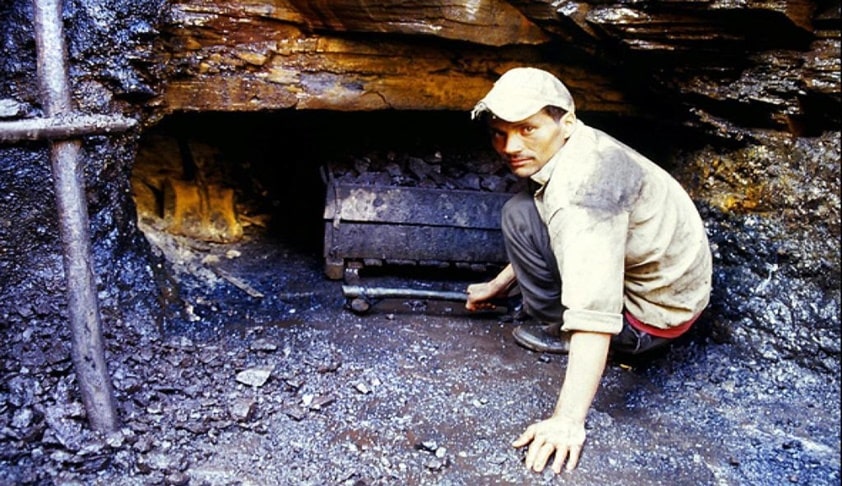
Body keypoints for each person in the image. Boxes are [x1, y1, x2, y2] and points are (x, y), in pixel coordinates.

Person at [465, 67, 712, 474]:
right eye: (499, 133)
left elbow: (594, 312)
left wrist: (567, 420)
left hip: (649, 324)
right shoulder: (583, 146)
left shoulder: (581, 196)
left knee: (519, 216)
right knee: (524, 211)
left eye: (528, 129)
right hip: (667, 293)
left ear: (565, 123)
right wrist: (499, 284)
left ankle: (558, 331)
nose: (510, 146)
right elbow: (557, 226)